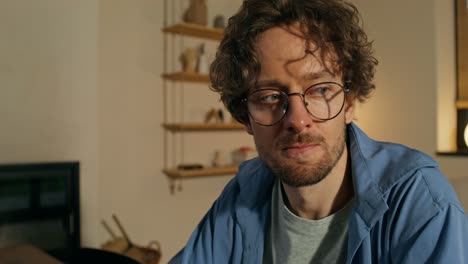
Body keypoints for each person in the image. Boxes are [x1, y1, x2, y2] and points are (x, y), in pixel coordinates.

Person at [170, 0, 468, 263]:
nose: (298, 120)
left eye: (321, 89)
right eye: (270, 96)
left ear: (349, 103)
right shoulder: (244, 192)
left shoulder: (417, 198)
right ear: (245, 117)